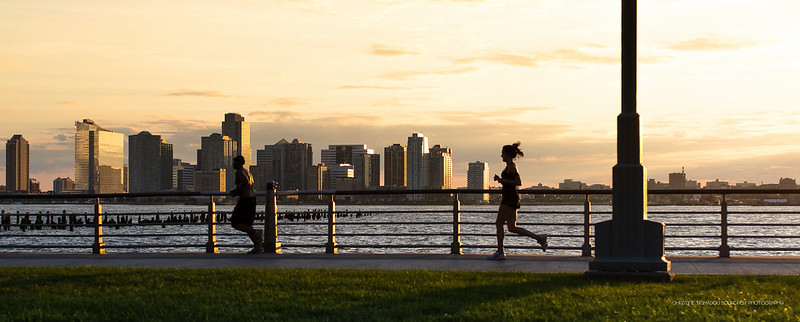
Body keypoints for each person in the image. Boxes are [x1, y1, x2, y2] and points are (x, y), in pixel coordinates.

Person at [488, 142, 547, 260]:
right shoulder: (509, 166)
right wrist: (501, 180)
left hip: (509, 199)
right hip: (512, 198)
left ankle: (500, 252)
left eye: (503, 153)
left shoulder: (511, 167)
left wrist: (501, 180)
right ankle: (539, 238)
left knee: (499, 223)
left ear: (508, 154)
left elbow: (518, 182)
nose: (501, 156)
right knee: (512, 228)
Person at [230, 155, 263, 254]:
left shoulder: (239, 172)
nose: (233, 164)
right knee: (247, 225)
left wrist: (236, 190)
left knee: (235, 222)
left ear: (239, 163)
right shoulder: (248, 172)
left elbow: (245, 181)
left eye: (234, 162)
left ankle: (255, 232)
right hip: (251, 200)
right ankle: (258, 246)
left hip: (245, 200)